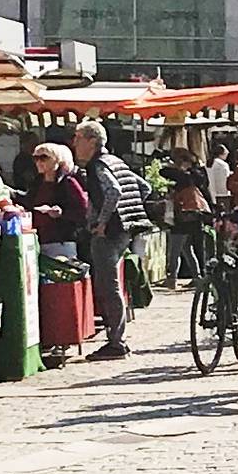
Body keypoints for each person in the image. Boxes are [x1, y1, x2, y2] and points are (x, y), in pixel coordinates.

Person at [74, 120, 148, 361]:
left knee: (108, 286)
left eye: (78, 138)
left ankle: (116, 342)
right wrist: (129, 211)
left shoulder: (98, 165)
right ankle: (117, 338)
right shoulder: (116, 161)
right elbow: (143, 187)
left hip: (109, 233)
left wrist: (103, 221)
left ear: (92, 142)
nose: (74, 143)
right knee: (112, 284)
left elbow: (114, 191)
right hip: (125, 229)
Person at [24, 143, 90, 261]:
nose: (39, 162)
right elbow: (28, 200)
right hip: (38, 240)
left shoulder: (68, 182)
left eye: (44, 157)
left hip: (61, 241)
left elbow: (84, 210)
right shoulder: (37, 182)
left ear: (57, 160)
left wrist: (61, 213)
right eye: (35, 158)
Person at [162, 144, 214, 289]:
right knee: (187, 248)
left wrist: (177, 168)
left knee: (175, 247)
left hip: (184, 214)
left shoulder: (186, 175)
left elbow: (165, 172)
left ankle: (172, 278)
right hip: (195, 215)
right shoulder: (198, 173)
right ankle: (197, 276)